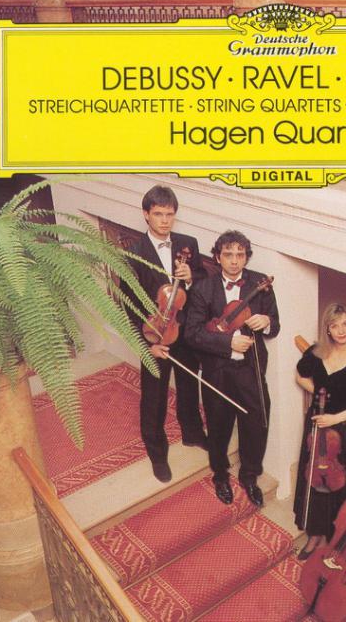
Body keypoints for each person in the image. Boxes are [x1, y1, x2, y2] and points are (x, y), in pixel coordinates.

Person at [184, 230, 280, 506]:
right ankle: (220, 475)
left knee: (257, 424)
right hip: (217, 371)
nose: (235, 260)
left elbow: (275, 324)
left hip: (251, 369)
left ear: (247, 257)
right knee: (218, 426)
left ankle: (249, 476)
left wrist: (267, 322)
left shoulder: (261, 284)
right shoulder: (203, 288)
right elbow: (192, 333)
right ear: (218, 257)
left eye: (240, 255)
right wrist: (228, 343)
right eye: (228, 254)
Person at [122, 185, 207, 483]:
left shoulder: (188, 244)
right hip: (154, 334)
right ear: (146, 214)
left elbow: (204, 282)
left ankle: (192, 432)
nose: (164, 220)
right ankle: (156, 450)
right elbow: (129, 304)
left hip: (184, 329)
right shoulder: (133, 253)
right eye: (158, 214)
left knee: (188, 384)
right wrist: (147, 345)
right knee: (154, 395)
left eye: (169, 214)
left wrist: (192, 277)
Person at [293, 303, 346, 559]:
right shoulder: (317, 351)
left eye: (345, 324)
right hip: (316, 425)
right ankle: (314, 535)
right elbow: (300, 376)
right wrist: (320, 396)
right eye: (335, 325)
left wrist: (335, 417)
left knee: (334, 483)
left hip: (341, 430)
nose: (341, 330)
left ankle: (331, 538)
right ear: (328, 329)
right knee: (313, 479)